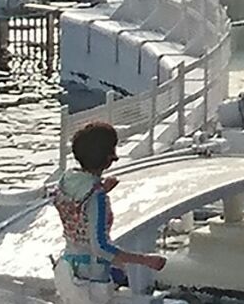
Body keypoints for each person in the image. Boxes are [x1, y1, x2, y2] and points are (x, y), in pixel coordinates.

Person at [50, 122, 166, 292]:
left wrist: (101, 187)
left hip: (67, 266)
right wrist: (145, 260)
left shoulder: (66, 180)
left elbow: (78, 208)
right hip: (91, 278)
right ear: (109, 158)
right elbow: (100, 247)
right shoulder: (98, 198)